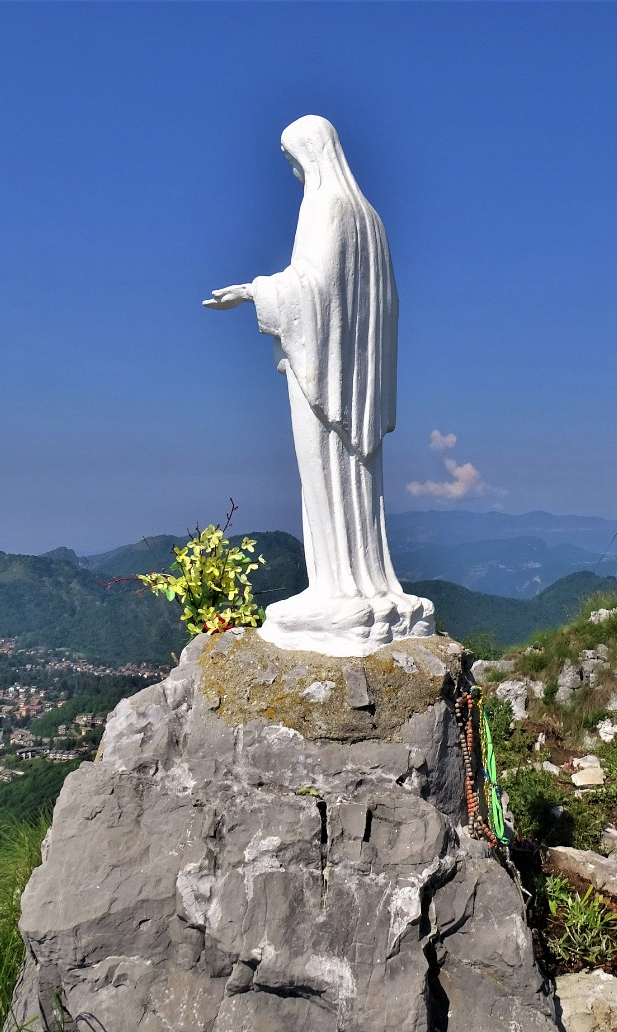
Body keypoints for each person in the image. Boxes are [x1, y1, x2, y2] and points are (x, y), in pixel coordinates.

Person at [205, 115, 434, 654]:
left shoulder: (325, 207)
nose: (292, 173)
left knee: (322, 474)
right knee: (355, 479)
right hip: (358, 378)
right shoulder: (370, 218)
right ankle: (362, 583)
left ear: (307, 154)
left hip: (323, 374)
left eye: (291, 160)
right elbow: (386, 305)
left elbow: (314, 287)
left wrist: (253, 291)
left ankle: (336, 589)